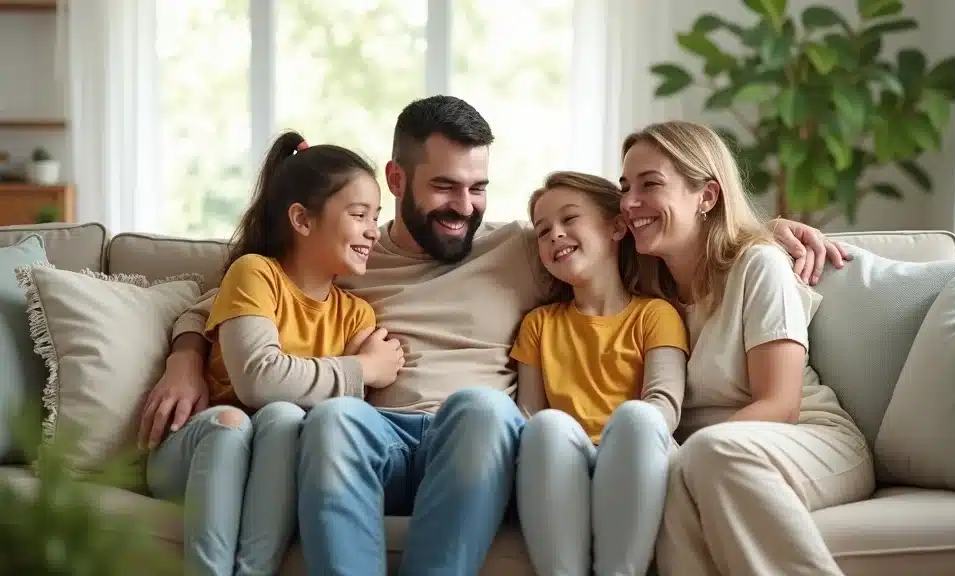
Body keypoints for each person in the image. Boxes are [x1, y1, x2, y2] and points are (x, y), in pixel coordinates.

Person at [136, 95, 850, 576]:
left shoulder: (519, 245)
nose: (466, 207)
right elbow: (238, 289)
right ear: (396, 178)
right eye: (446, 188)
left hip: (477, 444)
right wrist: (187, 352)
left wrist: (765, 232)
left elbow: (625, 228)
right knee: (333, 419)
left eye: (478, 188)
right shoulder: (349, 244)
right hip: (379, 438)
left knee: (479, 409)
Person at [140, 131, 404, 576]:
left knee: (284, 419)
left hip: (275, 458)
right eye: (359, 215)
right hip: (198, 448)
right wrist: (362, 368)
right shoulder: (255, 274)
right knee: (234, 421)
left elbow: (341, 415)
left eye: (376, 216)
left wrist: (358, 374)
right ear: (302, 220)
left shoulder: (356, 314)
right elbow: (258, 379)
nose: (374, 231)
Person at [617, 120, 872, 576]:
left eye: (650, 185)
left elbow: (780, 404)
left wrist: (685, 452)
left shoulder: (758, 265)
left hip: (808, 439)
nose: (630, 203)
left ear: (708, 197)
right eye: (625, 187)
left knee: (696, 458)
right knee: (675, 479)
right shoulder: (641, 291)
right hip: (709, 458)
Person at [511, 171, 687, 576]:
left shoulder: (655, 315)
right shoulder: (538, 325)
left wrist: (611, 454)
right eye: (542, 230)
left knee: (639, 415)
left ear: (616, 226)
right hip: (561, 463)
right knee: (548, 427)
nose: (555, 234)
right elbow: (529, 415)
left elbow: (664, 405)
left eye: (569, 219)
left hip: (634, 459)